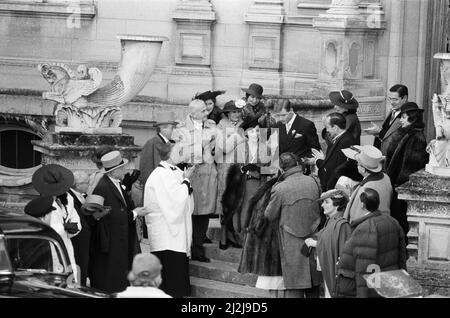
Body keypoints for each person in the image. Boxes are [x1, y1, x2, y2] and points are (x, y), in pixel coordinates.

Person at [89, 150, 151, 293]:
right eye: (122, 168)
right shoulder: (103, 187)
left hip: (120, 238)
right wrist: (135, 213)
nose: (125, 170)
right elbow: (111, 215)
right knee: (112, 278)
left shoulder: (115, 183)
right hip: (111, 241)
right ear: (113, 171)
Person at [262, 152, 322, 298]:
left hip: (290, 243)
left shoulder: (280, 188)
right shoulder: (313, 181)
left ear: (282, 169)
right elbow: (321, 207)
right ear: (297, 165)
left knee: (294, 288)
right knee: (314, 285)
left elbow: (269, 215)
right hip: (313, 238)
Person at [144, 142, 195, 298]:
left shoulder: (173, 171)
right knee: (171, 282)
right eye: (179, 151)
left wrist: (186, 181)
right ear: (170, 155)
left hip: (174, 233)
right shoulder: (161, 175)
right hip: (167, 236)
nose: (182, 153)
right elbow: (174, 201)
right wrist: (186, 181)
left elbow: (185, 200)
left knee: (176, 277)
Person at [335, 188, 407, 298]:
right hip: (388, 283)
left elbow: (363, 270)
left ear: (363, 205)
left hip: (374, 287)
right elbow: (402, 257)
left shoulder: (366, 228)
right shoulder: (392, 222)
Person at [172, 99, 218, 262]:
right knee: (188, 211)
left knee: (204, 213)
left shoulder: (212, 127)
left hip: (207, 173)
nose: (207, 113)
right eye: (203, 111)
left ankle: (198, 248)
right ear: (192, 113)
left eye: (207, 110)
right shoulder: (180, 129)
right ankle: (186, 248)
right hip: (189, 173)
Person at [30, 164, 81, 283]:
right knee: (56, 280)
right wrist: (63, 227)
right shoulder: (41, 205)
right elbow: (44, 227)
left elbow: (76, 220)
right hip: (51, 247)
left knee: (71, 279)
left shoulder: (68, 199)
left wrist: (73, 228)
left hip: (66, 244)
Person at [384, 102, 428, 238]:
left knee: (401, 222)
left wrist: (398, 185)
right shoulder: (404, 133)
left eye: (403, 117)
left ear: (412, 118)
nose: (400, 120)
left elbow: (411, 168)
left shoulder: (417, 138)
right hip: (395, 185)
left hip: (402, 189)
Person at [304, 189, 352, 298]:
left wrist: (315, 243)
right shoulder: (331, 221)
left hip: (335, 275)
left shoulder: (342, 225)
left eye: (326, 202)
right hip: (329, 272)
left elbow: (341, 251)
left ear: (337, 205)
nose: (322, 205)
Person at [214, 100, 246, 248]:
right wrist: (238, 135)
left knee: (237, 202)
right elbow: (224, 148)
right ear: (227, 113)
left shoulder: (244, 125)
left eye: (238, 111)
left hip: (239, 167)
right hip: (225, 168)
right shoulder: (220, 127)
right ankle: (223, 236)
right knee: (225, 202)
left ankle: (233, 234)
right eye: (233, 112)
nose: (236, 114)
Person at [306, 112, 356, 192]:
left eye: (327, 127)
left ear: (335, 127)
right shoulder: (341, 139)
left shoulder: (346, 141)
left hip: (336, 187)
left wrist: (317, 160)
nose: (327, 130)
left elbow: (337, 167)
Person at [342, 145, 392, 223]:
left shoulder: (365, 189)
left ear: (363, 169)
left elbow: (357, 216)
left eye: (357, 163)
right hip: (384, 222)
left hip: (368, 228)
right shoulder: (386, 178)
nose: (357, 165)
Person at [273, 100, 321, 166]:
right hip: (283, 169)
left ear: (291, 110)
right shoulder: (278, 125)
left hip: (301, 168)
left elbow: (315, 150)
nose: (280, 118)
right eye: (278, 115)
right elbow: (276, 148)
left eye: (283, 115)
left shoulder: (306, 125)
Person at [365, 84, 409, 154]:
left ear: (405, 98)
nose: (391, 102)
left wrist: (380, 131)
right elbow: (388, 131)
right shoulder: (393, 110)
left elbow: (398, 139)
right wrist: (377, 133)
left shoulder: (408, 116)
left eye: (395, 99)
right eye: (390, 99)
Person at [68, 170, 93, 286]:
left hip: (84, 240)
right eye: (86, 183)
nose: (89, 185)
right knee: (79, 268)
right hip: (77, 241)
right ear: (78, 185)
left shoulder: (81, 196)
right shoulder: (70, 197)